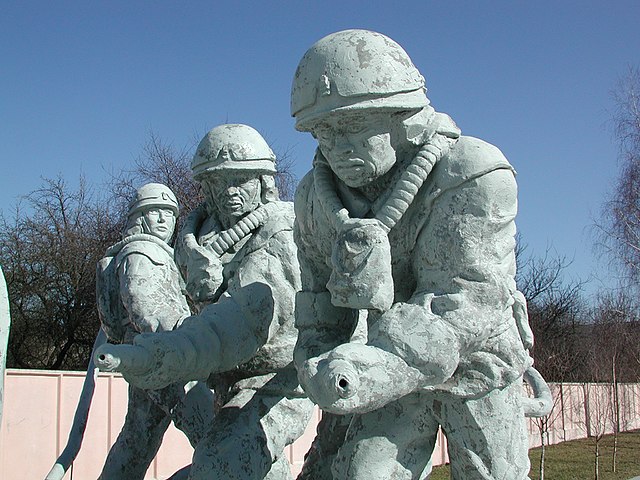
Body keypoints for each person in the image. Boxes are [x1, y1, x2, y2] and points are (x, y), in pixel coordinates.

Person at [290, 29, 548, 480]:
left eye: (355, 126)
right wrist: (318, 363)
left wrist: (364, 370)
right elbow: (319, 309)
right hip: (380, 366)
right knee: (363, 472)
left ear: (403, 118)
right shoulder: (315, 200)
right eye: (325, 133)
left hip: (475, 359)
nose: (339, 148)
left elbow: (463, 302)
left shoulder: (471, 172)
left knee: (490, 473)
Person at [96, 125, 314, 480]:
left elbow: (248, 318)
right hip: (217, 369)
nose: (230, 192)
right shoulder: (195, 240)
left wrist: (171, 351)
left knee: (224, 461)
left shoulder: (280, 231)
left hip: (277, 376)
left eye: (240, 180)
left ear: (263, 181)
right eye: (218, 182)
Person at [96, 183, 214, 480]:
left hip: (148, 354)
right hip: (167, 355)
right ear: (139, 217)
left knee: (137, 439)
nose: (164, 219)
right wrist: (190, 343)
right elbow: (146, 307)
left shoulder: (154, 252)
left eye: (169, 213)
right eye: (154, 212)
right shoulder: (142, 253)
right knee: (215, 434)